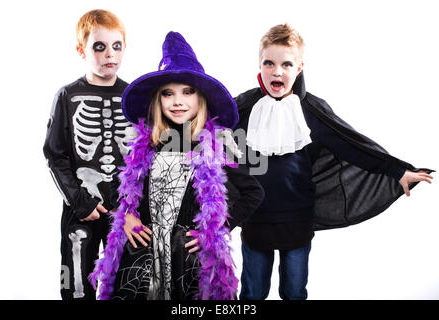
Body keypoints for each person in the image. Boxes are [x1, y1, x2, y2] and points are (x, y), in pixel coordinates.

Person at [234, 23, 434, 300]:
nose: (276, 71)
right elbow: (203, 131)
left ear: (299, 68)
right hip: (255, 220)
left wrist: (397, 171)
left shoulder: (312, 111)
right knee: (252, 294)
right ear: (259, 64)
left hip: (297, 222)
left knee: (294, 292)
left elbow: (352, 145)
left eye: (286, 64)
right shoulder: (242, 108)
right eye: (269, 63)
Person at [89, 31, 264, 300]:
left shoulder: (215, 147)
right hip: (143, 258)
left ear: (200, 98)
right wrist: (126, 216)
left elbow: (254, 192)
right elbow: (115, 185)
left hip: (189, 261)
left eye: (188, 92)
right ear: (158, 101)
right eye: (168, 94)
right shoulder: (146, 145)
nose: (178, 101)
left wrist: (217, 229)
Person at [43, 9, 134, 300]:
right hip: (80, 206)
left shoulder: (134, 96)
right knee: (76, 284)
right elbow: (54, 155)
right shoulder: (66, 96)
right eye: (100, 46)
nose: (110, 54)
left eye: (116, 46)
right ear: (82, 50)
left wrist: (134, 205)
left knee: (127, 282)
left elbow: (144, 154)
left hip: (124, 209)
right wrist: (79, 201)